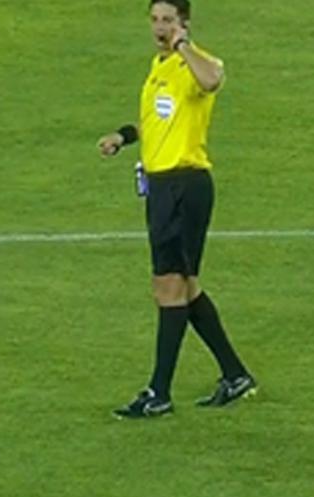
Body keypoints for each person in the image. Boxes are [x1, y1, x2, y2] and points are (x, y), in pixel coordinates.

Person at [97, 0, 255, 419]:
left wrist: (185, 46)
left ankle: (158, 393)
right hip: (163, 189)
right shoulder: (158, 67)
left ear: (183, 23)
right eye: (154, 19)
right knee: (185, 288)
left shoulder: (194, 62)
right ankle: (235, 375)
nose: (159, 26)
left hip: (186, 186)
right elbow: (155, 124)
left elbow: (213, 80)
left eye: (167, 20)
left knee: (168, 288)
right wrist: (124, 136)